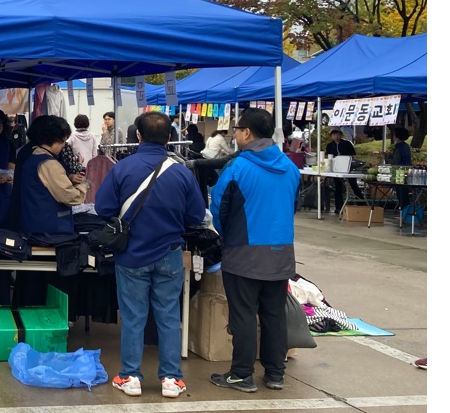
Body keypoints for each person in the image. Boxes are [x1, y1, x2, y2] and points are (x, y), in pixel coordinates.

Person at [95, 111, 205, 399]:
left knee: (133, 317)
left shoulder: (122, 168)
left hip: (131, 254)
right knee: (168, 316)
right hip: (170, 253)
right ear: (169, 137)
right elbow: (196, 216)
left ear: (138, 136)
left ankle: (130, 376)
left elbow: (102, 208)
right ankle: (171, 379)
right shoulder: (182, 172)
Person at [209, 107, 301, 394]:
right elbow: (293, 206)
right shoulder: (290, 167)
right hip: (281, 252)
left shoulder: (237, 168)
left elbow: (218, 209)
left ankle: (241, 374)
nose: (234, 135)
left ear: (247, 133)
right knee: (274, 314)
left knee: (244, 316)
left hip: (243, 254)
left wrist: (229, 236)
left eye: (236, 130)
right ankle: (275, 374)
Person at [15, 115, 88, 236]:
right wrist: (84, 185)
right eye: (63, 141)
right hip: (50, 230)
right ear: (56, 139)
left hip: (32, 224)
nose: (64, 145)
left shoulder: (32, 155)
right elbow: (70, 197)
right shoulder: (49, 163)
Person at [326, 129, 363, 213]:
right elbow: (328, 156)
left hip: (348, 167)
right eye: (334, 135)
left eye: (338, 134)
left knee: (353, 184)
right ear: (331, 137)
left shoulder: (347, 144)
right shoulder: (330, 146)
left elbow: (353, 155)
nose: (336, 136)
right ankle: (338, 207)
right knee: (338, 186)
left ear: (341, 135)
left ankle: (361, 203)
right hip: (336, 168)